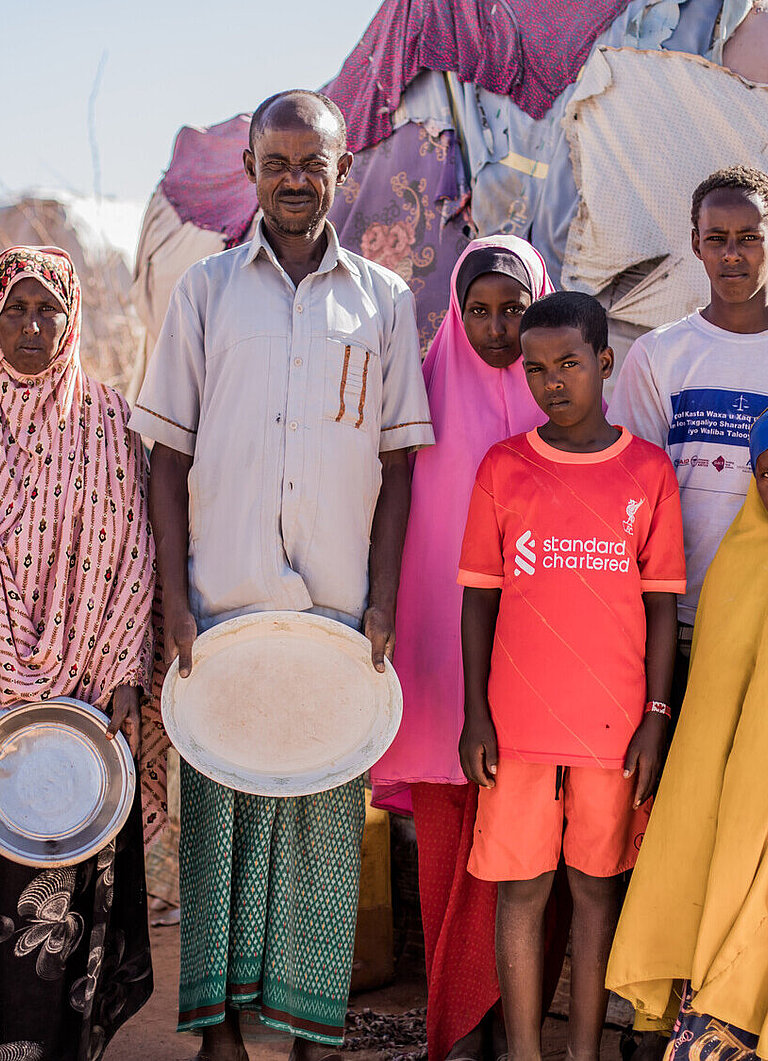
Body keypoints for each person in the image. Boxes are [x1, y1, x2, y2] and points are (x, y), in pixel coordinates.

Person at [129, 90, 434, 1061]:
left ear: (343, 170)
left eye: (315, 163)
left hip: (337, 614)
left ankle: (308, 1035)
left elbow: (397, 463)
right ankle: (219, 1034)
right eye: (279, 163)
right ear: (252, 171)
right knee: (218, 833)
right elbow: (166, 455)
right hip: (221, 612)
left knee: (318, 840)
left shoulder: (383, 302)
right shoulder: (205, 293)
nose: (297, 180)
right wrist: (176, 597)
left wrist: (381, 597)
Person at [458, 291, 686, 1061]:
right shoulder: (504, 466)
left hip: (614, 727)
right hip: (517, 727)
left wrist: (656, 713)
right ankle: (525, 1051)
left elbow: (660, 609)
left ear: (605, 364)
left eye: (569, 364)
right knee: (520, 892)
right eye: (536, 368)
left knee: (596, 888)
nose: (552, 382)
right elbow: (478, 602)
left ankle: (583, 1050)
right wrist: (475, 715)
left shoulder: (648, 472)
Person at [370, 235, 570, 1061]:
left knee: (528, 857)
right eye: (478, 310)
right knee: (452, 855)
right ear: (454, 310)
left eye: (514, 310)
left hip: (539, 671)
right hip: (441, 669)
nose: (495, 329)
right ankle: (459, 1027)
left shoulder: (563, 406)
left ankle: (505, 1021)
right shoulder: (418, 397)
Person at [0, 246, 155, 1060]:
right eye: (16, 309)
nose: (32, 326)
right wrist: (16, 674)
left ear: (71, 319)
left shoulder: (109, 421)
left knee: (71, 886)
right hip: (2, 713)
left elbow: (134, 554)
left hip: (87, 710)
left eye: (47, 309)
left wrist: (126, 672)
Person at [606, 409, 768, 1061]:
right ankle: (692, 1013)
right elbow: (711, 717)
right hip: (728, 790)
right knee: (710, 854)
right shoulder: (739, 556)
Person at [608, 166, 768, 706]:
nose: (732, 254)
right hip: (673, 616)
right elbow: (632, 493)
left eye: (749, 237)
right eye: (717, 239)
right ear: (695, 243)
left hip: (760, 613)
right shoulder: (659, 354)